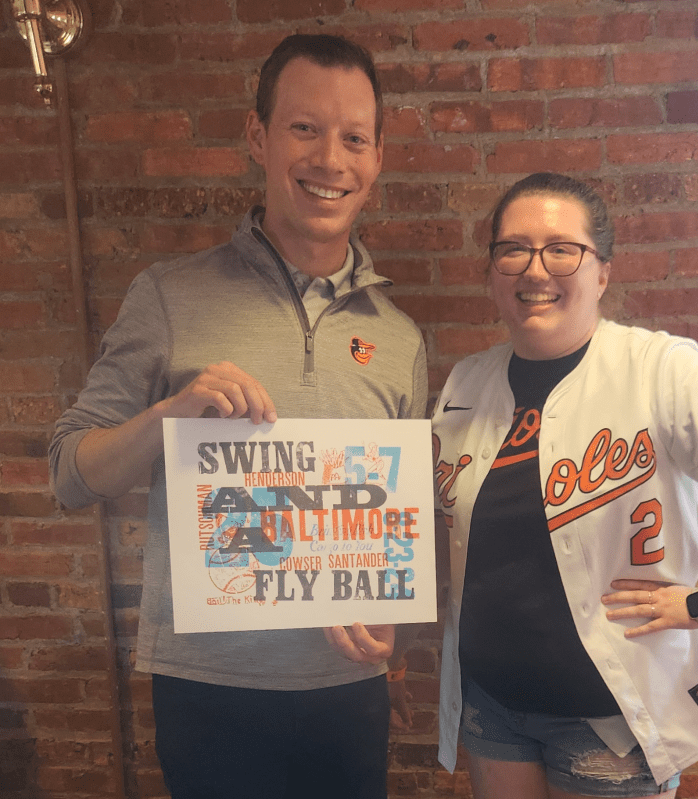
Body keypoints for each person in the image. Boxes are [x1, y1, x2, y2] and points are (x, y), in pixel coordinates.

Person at [49, 34, 427, 799]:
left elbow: (393, 519)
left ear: (378, 157)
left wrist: (393, 651)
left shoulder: (399, 337)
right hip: (210, 690)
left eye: (354, 137)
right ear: (258, 136)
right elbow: (67, 472)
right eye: (303, 128)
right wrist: (168, 416)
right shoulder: (169, 295)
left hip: (347, 689)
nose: (330, 158)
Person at [431, 172, 698, 799]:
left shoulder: (659, 367)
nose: (535, 269)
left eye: (562, 249)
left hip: (609, 719)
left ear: (602, 271)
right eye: (513, 249)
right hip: (494, 705)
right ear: (491, 271)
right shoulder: (466, 382)